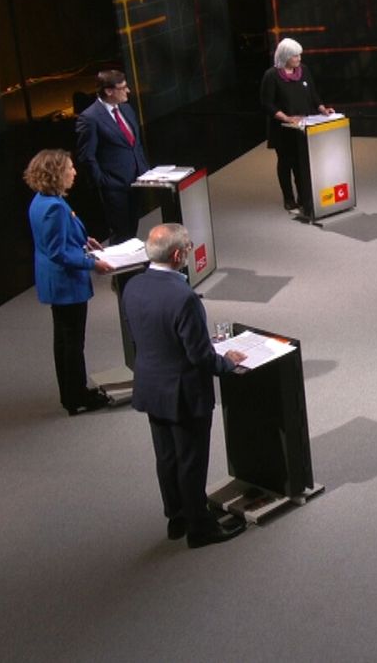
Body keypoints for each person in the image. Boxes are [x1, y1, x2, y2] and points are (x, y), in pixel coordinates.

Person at [122, 224, 248, 547]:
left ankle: (176, 516)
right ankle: (200, 527)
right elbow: (200, 356)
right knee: (191, 459)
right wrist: (229, 363)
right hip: (184, 393)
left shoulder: (132, 287)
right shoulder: (184, 297)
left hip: (151, 387)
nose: (191, 251)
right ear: (178, 255)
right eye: (190, 247)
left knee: (166, 456)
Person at [24, 149, 115, 415]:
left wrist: (84, 242)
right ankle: (77, 396)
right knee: (72, 342)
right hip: (65, 284)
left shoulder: (42, 200)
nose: (74, 172)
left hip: (56, 282)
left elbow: (60, 239)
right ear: (56, 173)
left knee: (64, 340)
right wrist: (92, 263)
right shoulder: (54, 207)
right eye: (70, 168)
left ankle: (72, 393)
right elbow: (57, 252)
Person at [260, 38, 334, 215]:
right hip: (283, 129)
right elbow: (267, 103)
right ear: (285, 57)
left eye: (299, 55)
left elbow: (313, 93)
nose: (299, 58)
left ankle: (304, 197)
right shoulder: (271, 76)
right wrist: (286, 118)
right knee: (286, 163)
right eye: (295, 55)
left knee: (302, 163)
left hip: (303, 127)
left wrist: (322, 108)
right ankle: (289, 198)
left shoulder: (304, 71)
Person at [74, 69, 149, 244]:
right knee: (121, 233)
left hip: (136, 181)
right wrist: (103, 181)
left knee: (132, 229)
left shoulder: (126, 108)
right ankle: (123, 270)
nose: (128, 91)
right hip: (114, 186)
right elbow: (86, 156)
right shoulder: (90, 118)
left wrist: (144, 170)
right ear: (109, 91)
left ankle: (133, 269)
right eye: (122, 88)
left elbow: (135, 144)